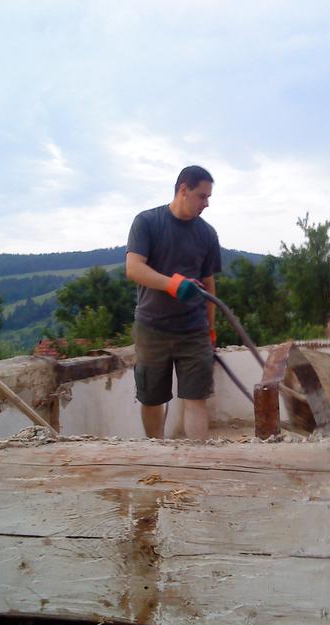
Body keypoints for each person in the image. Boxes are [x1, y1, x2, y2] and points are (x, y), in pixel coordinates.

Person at [126, 165, 222, 440]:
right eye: (202, 196)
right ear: (183, 190)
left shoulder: (207, 234)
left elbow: (209, 284)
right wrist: (172, 284)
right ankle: (158, 453)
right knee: (152, 399)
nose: (206, 203)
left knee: (196, 397)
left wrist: (211, 329)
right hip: (151, 329)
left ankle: (197, 458)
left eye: (208, 197)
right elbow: (133, 268)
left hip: (193, 330)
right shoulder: (147, 222)